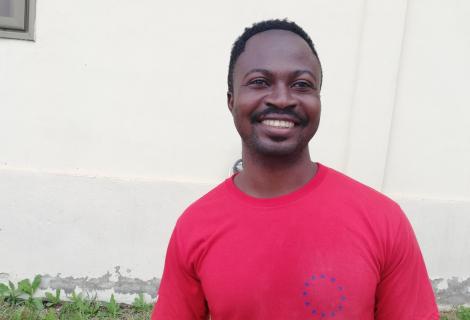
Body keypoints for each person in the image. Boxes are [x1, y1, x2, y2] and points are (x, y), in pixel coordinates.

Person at [151, 19, 438, 319]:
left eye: (301, 85)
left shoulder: (383, 220)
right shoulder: (195, 226)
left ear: (318, 100)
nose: (282, 99)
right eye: (260, 81)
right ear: (231, 101)